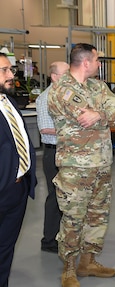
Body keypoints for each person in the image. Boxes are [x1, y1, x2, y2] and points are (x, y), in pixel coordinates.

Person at [48, 43, 115, 287]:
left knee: (97, 216)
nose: (100, 64)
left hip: (101, 164)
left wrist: (99, 114)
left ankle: (88, 261)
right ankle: (68, 269)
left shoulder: (97, 86)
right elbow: (84, 115)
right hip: (75, 169)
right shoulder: (63, 89)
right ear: (86, 62)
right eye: (97, 60)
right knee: (73, 218)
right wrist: (102, 114)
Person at [0, 52, 37, 287]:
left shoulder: (9, 101)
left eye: (10, 69)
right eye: (4, 70)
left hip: (17, 189)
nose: (11, 75)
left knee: (5, 249)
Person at [36, 61, 69, 254]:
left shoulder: (64, 95)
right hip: (53, 150)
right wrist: (72, 129)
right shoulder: (45, 98)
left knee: (67, 196)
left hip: (67, 150)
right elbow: (45, 128)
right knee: (55, 197)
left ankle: (63, 236)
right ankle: (49, 240)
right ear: (54, 77)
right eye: (65, 74)